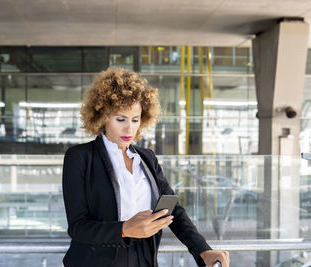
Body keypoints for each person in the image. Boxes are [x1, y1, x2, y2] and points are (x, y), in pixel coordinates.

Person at [62, 68, 230, 267]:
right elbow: (78, 227)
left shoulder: (146, 158)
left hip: (144, 259)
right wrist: (124, 229)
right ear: (102, 116)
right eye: (120, 119)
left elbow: (172, 209)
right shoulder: (80, 157)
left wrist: (203, 250)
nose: (129, 129)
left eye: (135, 119)